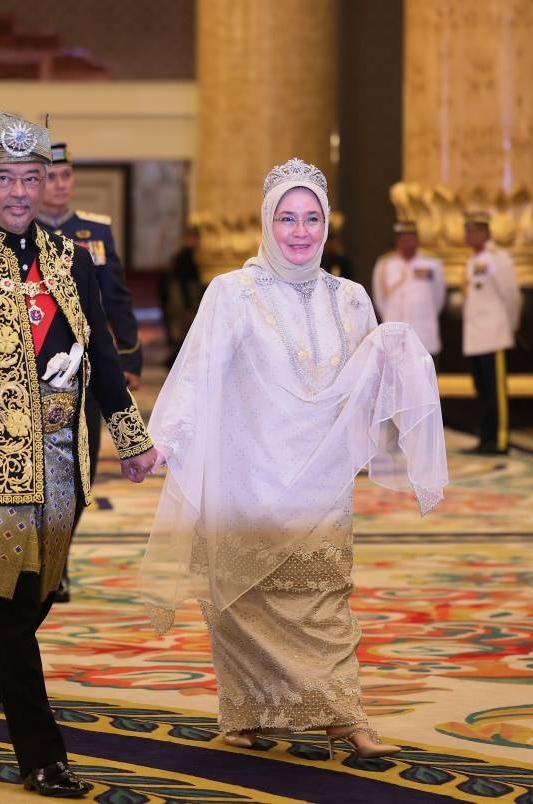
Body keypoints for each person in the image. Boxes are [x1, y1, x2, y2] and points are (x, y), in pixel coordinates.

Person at [141, 158, 448, 760]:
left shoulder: (353, 298)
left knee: (324, 595)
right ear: (267, 221)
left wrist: (395, 359)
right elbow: (199, 371)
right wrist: (164, 438)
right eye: (287, 218)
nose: (300, 232)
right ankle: (245, 713)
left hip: (320, 477)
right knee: (242, 600)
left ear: (327, 225)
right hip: (243, 471)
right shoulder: (232, 293)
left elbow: (365, 380)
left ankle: (344, 714)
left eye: (311, 219)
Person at [0, 100, 157, 798]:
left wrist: (129, 438)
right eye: (4, 179)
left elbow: (100, 362)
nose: (19, 191)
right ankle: (41, 756)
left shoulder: (69, 259)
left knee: (29, 608)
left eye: (30, 177)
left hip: (65, 462)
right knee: (11, 619)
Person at [37, 141, 143, 602]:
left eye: (66, 177)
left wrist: (130, 358)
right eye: (52, 177)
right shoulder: (24, 232)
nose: (60, 186)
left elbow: (114, 298)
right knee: (40, 471)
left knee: (80, 469)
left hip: (89, 365)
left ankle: (56, 561)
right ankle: (34, 559)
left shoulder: (95, 231)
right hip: (39, 366)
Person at [461, 210, 522, 455]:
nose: (468, 235)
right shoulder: (471, 261)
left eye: (473, 230)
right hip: (475, 337)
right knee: (483, 390)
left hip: (494, 334)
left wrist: (511, 326)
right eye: (467, 230)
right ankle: (485, 438)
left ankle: (499, 440)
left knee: (495, 392)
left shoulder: (499, 258)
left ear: (485, 232)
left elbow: (512, 296)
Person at [371, 221, 445, 356]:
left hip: (423, 331)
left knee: (425, 374)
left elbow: (438, 298)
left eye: (412, 239)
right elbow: (380, 300)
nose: (409, 243)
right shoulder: (385, 264)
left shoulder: (432, 263)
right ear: (397, 241)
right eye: (405, 239)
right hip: (395, 332)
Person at [160, 224, 204, 366]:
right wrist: (189, 307)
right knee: (182, 335)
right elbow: (183, 284)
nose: (196, 241)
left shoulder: (186, 256)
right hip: (181, 304)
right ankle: (172, 363)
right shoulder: (184, 257)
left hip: (181, 303)